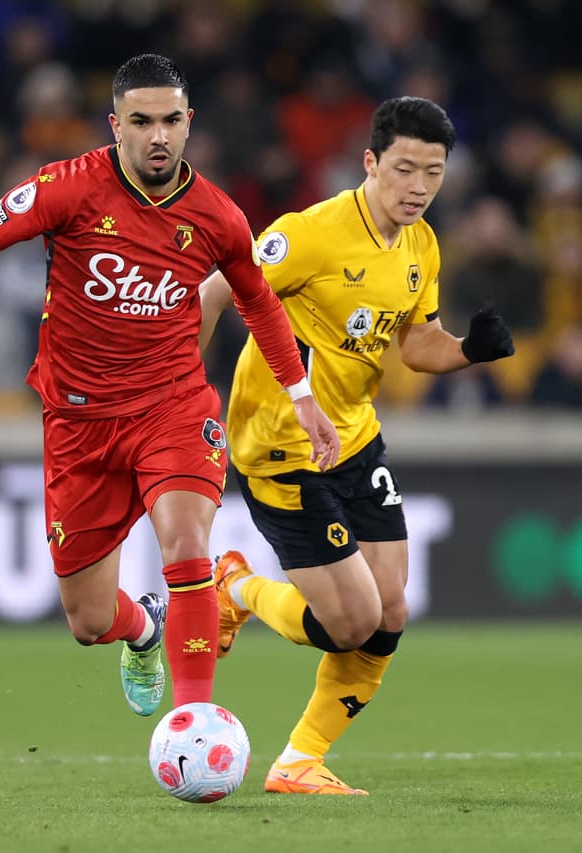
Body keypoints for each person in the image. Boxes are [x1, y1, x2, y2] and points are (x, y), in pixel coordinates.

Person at [0, 54, 340, 720]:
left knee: (187, 544)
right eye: (141, 122)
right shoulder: (68, 188)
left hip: (172, 405)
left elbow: (260, 304)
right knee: (87, 617)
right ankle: (144, 630)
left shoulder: (218, 217)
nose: (157, 136)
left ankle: (193, 724)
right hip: (78, 422)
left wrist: (302, 395)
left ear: (189, 124)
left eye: (169, 121)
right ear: (116, 125)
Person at [198, 96, 515, 795]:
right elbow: (215, 291)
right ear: (369, 162)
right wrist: (184, 387)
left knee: (390, 611)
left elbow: (416, 344)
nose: (418, 187)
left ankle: (297, 762)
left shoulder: (422, 243)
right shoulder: (310, 234)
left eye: (433, 172)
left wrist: (469, 350)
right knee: (350, 623)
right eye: (404, 169)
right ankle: (237, 587)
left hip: (355, 437)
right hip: (281, 446)